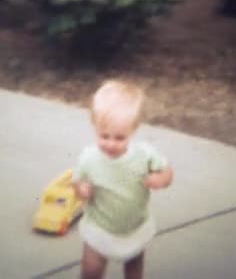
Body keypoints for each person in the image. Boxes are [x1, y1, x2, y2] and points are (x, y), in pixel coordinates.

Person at [72, 80, 174, 279]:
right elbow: (76, 182)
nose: (110, 144)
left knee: (134, 266)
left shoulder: (145, 154)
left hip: (134, 225)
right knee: (91, 270)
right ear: (94, 127)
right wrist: (81, 190)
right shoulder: (89, 158)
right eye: (104, 136)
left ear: (133, 130)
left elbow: (167, 172)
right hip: (99, 226)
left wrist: (161, 179)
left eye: (119, 138)